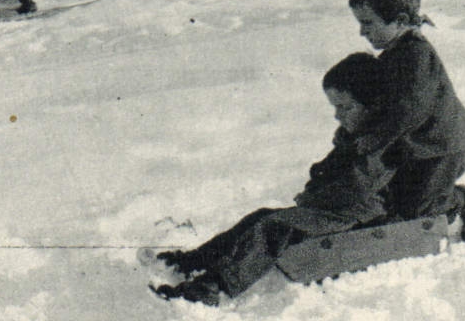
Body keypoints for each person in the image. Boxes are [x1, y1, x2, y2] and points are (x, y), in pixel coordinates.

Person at [153, 53, 395, 306]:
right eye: (336, 108)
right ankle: (194, 262)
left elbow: (359, 186)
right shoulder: (355, 135)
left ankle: (214, 288)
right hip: (338, 209)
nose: (337, 115)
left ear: (372, 106)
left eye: (345, 107)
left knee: (276, 228)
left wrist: (315, 197)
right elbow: (331, 170)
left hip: (359, 214)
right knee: (261, 216)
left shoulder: (380, 141)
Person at [348, 0, 465, 224]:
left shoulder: (416, 54)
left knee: (422, 208)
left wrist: (376, 137)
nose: (362, 32)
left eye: (368, 23)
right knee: (403, 199)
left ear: (400, 20)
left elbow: (412, 109)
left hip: (442, 148)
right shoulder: (395, 54)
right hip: (418, 147)